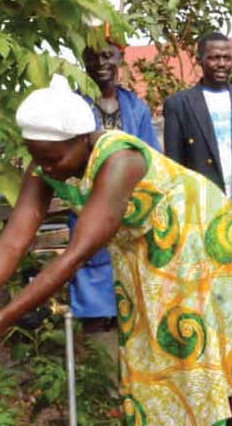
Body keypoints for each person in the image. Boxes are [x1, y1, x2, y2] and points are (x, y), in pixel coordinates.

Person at [0, 75, 232, 426]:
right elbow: (14, 239)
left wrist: (3, 319)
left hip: (193, 237)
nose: (45, 168)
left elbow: (76, 254)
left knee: (188, 346)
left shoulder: (120, 160)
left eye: (51, 158)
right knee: (148, 351)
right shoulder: (47, 160)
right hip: (143, 247)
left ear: (82, 138)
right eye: (36, 158)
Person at [72, 35, 161, 339]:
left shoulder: (135, 107)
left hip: (132, 212)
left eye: (108, 56)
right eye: (93, 57)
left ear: (120, 59)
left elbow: (152, 158)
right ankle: (101, 377)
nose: (101, 64)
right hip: (88, 209)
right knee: (94, 300)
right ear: (82, 61)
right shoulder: (74, 105)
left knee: (134, 298)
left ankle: (133, 379)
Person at [163, 32, 232, 278]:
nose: (221, 63)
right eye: (214, 58)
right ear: (200, 60)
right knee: (211, 286)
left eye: (226, 57)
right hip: (203, 213)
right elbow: (174, 169)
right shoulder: (179, 104)